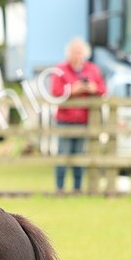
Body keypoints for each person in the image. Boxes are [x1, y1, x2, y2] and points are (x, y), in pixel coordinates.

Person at [49, 38, 106, 193]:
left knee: (80, 156)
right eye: (75, 52)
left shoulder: (93, 69)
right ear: (69, 54)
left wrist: (93, 88)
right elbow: (55, 92)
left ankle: (77, 188)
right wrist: (73, 90)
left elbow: (103, 89)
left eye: (80, 52)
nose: (78, 55)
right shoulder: (60, 69)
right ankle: (59, 188)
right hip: (65, 119)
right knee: (63, 155)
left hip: (84, 119)